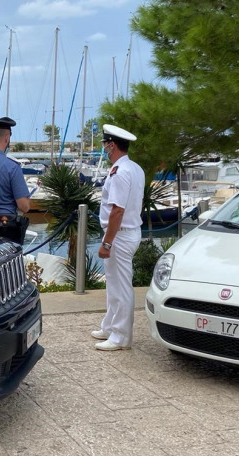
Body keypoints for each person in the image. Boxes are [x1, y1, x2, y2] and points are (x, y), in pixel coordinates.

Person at [93, 124, 145, 351]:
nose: (104, 148)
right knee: (113, 285)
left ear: (111, 145)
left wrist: (107, 242)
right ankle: (110, 326)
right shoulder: (134, 168)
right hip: (126, 233)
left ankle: (121, 336)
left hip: (120, 236)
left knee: (121, 287)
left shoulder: (120, 172)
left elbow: (117, 210)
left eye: (105, 144)